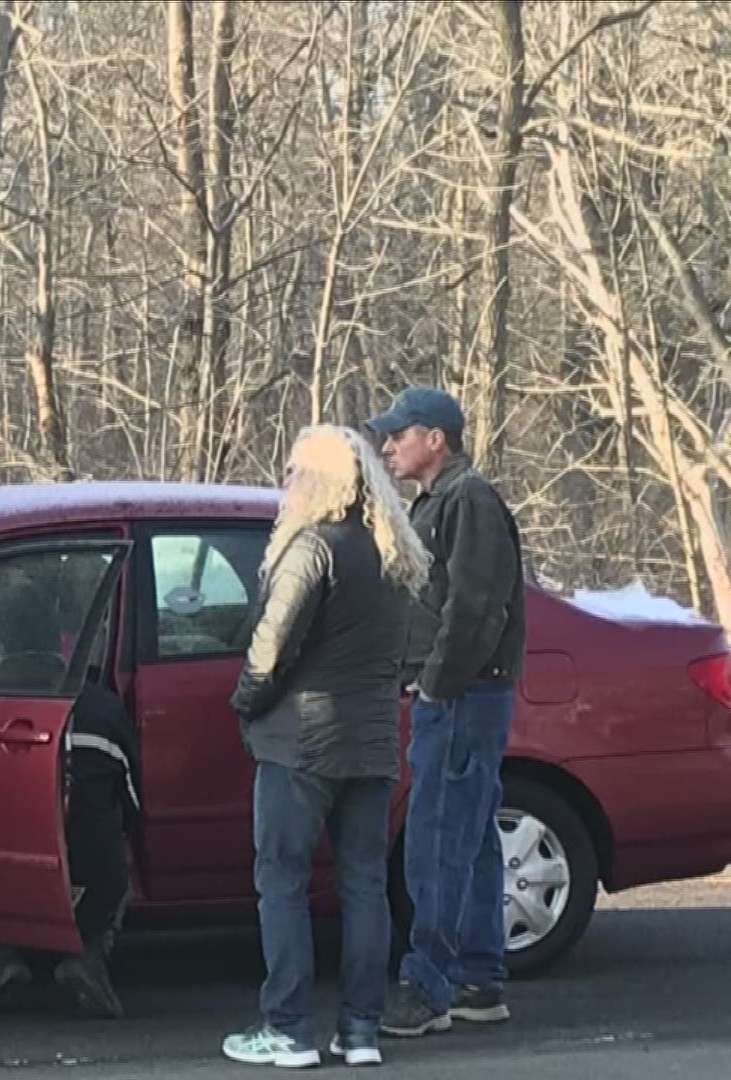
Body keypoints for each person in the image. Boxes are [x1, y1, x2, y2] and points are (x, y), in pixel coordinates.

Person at [219, 425, 430, 1069]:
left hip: (301, 741)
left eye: (292, 473)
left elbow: (272, 644)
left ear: (319, 481)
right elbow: (405, 653)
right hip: (371, 742)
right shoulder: (394, 553)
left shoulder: (314, 547)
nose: (284, 485)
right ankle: (362, 1029)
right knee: (364, 884)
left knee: (281, 881)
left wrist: (246, 702)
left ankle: (288, 1028)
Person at [366, 388, 527, 1038]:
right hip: (458, 695)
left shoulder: (469, 500)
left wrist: (436, 683)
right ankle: (478, 980)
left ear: (436, 439)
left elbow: (475, 606)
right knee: (472, 836)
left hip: (462, 697)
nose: (388, 446)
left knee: (436, 841)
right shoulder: (438, 503)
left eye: (399, 435)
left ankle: (428, 986)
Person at [0, 586, 137, 1020]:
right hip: (91, 879)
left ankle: (1, 956)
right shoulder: (103, 706)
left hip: (5, 881)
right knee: (111, 853)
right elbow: (133, 803)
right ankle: (89, 957)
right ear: (61, 635)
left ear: (0, 642)